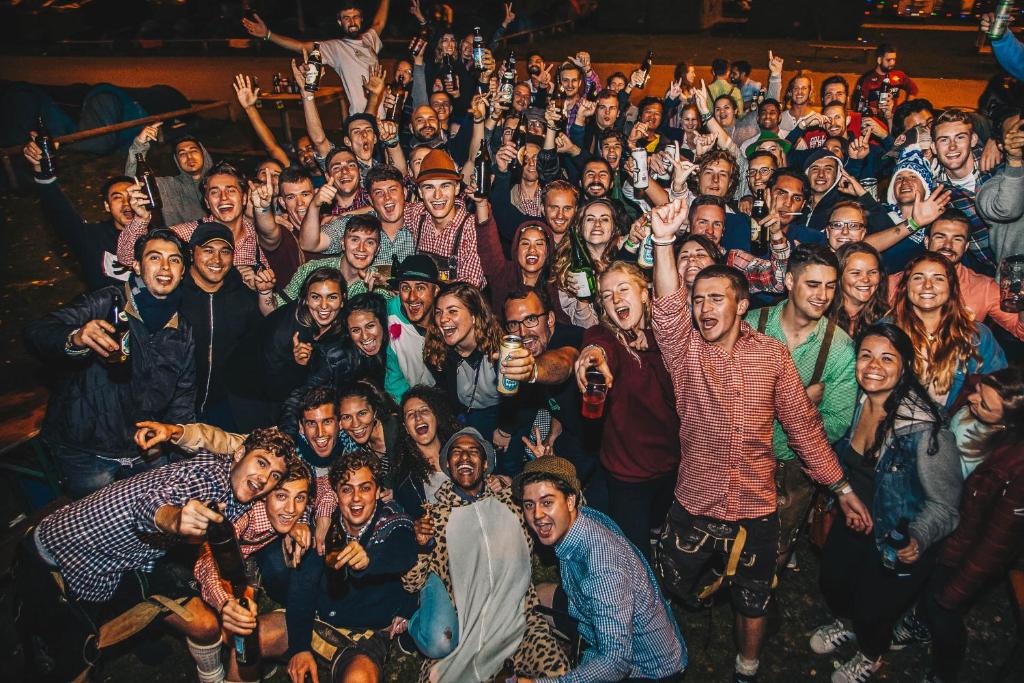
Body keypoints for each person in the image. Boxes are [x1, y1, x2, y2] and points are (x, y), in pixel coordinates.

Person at [649, 198, 871, 683]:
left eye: (716, 299)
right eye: (698, 300)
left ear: (742, 306)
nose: (704, 308)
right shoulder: (684, 352)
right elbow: (666, 312)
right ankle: (669, 627)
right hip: (696, 497)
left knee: (754, 594)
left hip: (756, 504)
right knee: (674, 579)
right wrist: (664, 241)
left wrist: (843, 490)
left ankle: (747, 666)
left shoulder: (771, 355)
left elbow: (805, 430)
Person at [14, 426, 296, 683]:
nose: (263, 479)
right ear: (238, 455)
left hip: (132, 561)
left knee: (204, 624)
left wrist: (303, 522)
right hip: (61, 560)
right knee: (73, 668)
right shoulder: (209, 479)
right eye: (261, 463)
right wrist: (174, 519)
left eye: (274, 476)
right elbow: (152, 505)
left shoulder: (241, 495)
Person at [811, 323, 960, 683]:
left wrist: (918, 539)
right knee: (835, 583)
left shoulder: (924, 430)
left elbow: (946, 507)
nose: (873, 366)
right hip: (852, 520)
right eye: (866, 355)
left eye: (887, 358)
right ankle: (844, 624)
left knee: (874, 609)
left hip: (896, 535)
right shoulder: (856, 401)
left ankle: (870, 654)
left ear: (905, 366)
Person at [24, 228, 196, 499]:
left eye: (174, 260)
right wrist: (75, 338)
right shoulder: (108, 302)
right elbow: (38, 331)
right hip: (88, 452)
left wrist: (178, 444)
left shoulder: (182, 329)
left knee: (158, 521)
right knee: (98, 532)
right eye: (154, 258)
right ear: (137, 266)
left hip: (144, 450)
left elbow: (182, 399)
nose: (165, 267)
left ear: (183, 271)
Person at [402, 427, 569, 682]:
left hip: (521, 626)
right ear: (448, 464)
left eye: (473, 452)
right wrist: (420, 547)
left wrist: (548, 472)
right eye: (457, 452)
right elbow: (411, 582)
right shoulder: (434, 517)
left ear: (486, 463)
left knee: (559, 673)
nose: (465, 457)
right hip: (469, 633)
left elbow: (565, 519)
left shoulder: (513, 504)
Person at [515, 455, 688, 683]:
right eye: (530, 505)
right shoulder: (581, 518)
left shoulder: (604, 568)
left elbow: (615, 663)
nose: (537, 515)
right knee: (540, 595)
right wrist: (545, 462)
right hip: (595, 616)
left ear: (569, 502)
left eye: (547, 502)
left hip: (647, 669)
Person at [744, 245, 857, 572]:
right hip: (741, 456)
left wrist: (767, 410)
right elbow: (722, 398)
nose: (823, 295)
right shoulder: (751, 325)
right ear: (790, 282)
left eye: (830, 285)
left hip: (793, 468)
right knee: (729, 537)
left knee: (776, 546)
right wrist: (802, 403)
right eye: (813, 284)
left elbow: (835, 423)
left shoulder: (839, 348)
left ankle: (761, 598)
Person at [268, 450, 420, 683]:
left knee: (359, 678)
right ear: (337, 495)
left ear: (378, 492)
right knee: (252, 637)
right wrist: (299, 647)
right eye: (347, 489)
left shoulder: (393, 520)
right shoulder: (325, 527)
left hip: (363, 637)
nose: (356, 498)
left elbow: (404, 551)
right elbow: (303, 586)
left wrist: (369, 559)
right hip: (318, 621)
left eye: (365, 488)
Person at [922, 367, 1024, 683]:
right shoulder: (970, 406)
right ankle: (917, 622)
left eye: (985, 403)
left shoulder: (1013, 467)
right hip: (938, 521)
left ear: (1008, 423)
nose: (973, 398)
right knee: (925, 590)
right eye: (980, 389)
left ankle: (944, 672)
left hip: (960, 546)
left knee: (942, 610)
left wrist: (958, 590)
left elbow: (994, 545)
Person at [572, 262, 680, 557]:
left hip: (672, 464)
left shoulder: (670, 338)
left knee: (661, 530)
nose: (616, 299)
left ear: (644, 295)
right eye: (607, 296)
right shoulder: (605, 337)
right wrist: (593, 357)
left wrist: (655, 342)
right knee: (636, 554)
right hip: (627, 474)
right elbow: (597, 346)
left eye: (623, 289)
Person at [226, 266, 347, 431]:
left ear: (343, 300)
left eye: (332, 297)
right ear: (305, 299)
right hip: (248, 391)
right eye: (316, 297)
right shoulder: (285, 332)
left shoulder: (341, 324)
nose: (324, 306)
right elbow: (276, 386)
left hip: (282, 391)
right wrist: (298, 364)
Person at [179, 223, 271, 428]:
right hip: (178, 406)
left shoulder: (244, 299)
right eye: (208, 250)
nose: (217, 260)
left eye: (225, 252)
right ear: (192, 253)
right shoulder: (174, 295)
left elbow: (261, 349)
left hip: (226, 409)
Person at [889, 252, 1007, 410]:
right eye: (918, 277)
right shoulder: (886, 332)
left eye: (938, 278)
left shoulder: (976, 335)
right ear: (906, 286)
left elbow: (1000, 390)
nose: (928, 285)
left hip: (950, 427)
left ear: (951, 287)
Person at [887, 209, 1024, 341]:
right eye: (940, 237)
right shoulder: (896, 282)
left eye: (957, 239)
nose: (947, 245)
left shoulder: (984, 288)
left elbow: (1020, 331)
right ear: (927, 241)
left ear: (966, 246)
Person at [116, 161, 271, 274]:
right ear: (207, 202)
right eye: (214, 192)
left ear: (244, 199)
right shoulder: (187, 234)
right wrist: (141, 218)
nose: (223, 198)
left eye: (231, 191)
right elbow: (127, 258)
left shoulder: (259, 235)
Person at [498, 286, 587, 478]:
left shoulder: (572, 338)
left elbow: (565, 362)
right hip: (572, 436)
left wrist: (532, 370)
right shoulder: (536, 347)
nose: (522, 332)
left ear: (551, 319)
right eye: (513, 324)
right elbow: (558, 397)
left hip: (606, 449)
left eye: (530, 320)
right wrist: (553, 436)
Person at [242, 0, 392, 115]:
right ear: (340, 22)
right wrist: (268, 35)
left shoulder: (369, 40)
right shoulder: (336, 47)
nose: (352, 22)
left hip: (386, 116)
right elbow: (301, 46)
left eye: (355, 17)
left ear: (361, 19)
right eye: (346, 18)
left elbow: (379, 23)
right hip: (362, 119)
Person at [23, 136, 134, 290]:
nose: (126, 203)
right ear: (107, 206)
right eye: (117, 198)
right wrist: (42, 171)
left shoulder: (158, 235)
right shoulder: (92, 237)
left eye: (131, 196)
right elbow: (60, 213)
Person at [423, 281, 504, 438]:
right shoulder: (437, 352)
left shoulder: (498, 349)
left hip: (503, 414)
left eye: (452, 311)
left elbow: (521, 400)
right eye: (438, 312)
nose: (443, 319)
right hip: (467, 415)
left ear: (474, 316)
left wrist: (505, 431)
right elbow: (447, 398)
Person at [408, 149, 485, 286]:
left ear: (456, 188)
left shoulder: (471, 228)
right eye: (429, 187)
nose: (437, 196)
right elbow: (388, 205)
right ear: (420, 192)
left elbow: (470, 286)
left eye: (445, 186)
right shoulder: (417, 214)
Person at [393, 385, 460, 520]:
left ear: (436, 417)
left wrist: (499, 480)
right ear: (406, 428)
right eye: (410, 414)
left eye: (424, 410)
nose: (418, 417)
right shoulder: (407, 481)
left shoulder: (462, 447)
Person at [125, 124, 212, 226]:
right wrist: (139, 144)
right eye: (182, 154)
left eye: (193, 151)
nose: (189, 157)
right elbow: (135, 181)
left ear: (203, 154)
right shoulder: (169, 186)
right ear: (176, 160)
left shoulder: (222, 179)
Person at [830, 242, 890, 339]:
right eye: (856, 273)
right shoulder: (820, 316)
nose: (866, 279)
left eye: (872, 272)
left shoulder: (887, 320)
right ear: (838, 276)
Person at [851, 43, 919, 118]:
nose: (892, 63)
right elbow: (856, 104)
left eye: (894, 59)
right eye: (889, 60)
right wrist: (871, 110)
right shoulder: (866, 79)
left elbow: (913, 89)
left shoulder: (899, 75)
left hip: (893, 120)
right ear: (879, 60)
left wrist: (906, 110)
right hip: (874, 121)